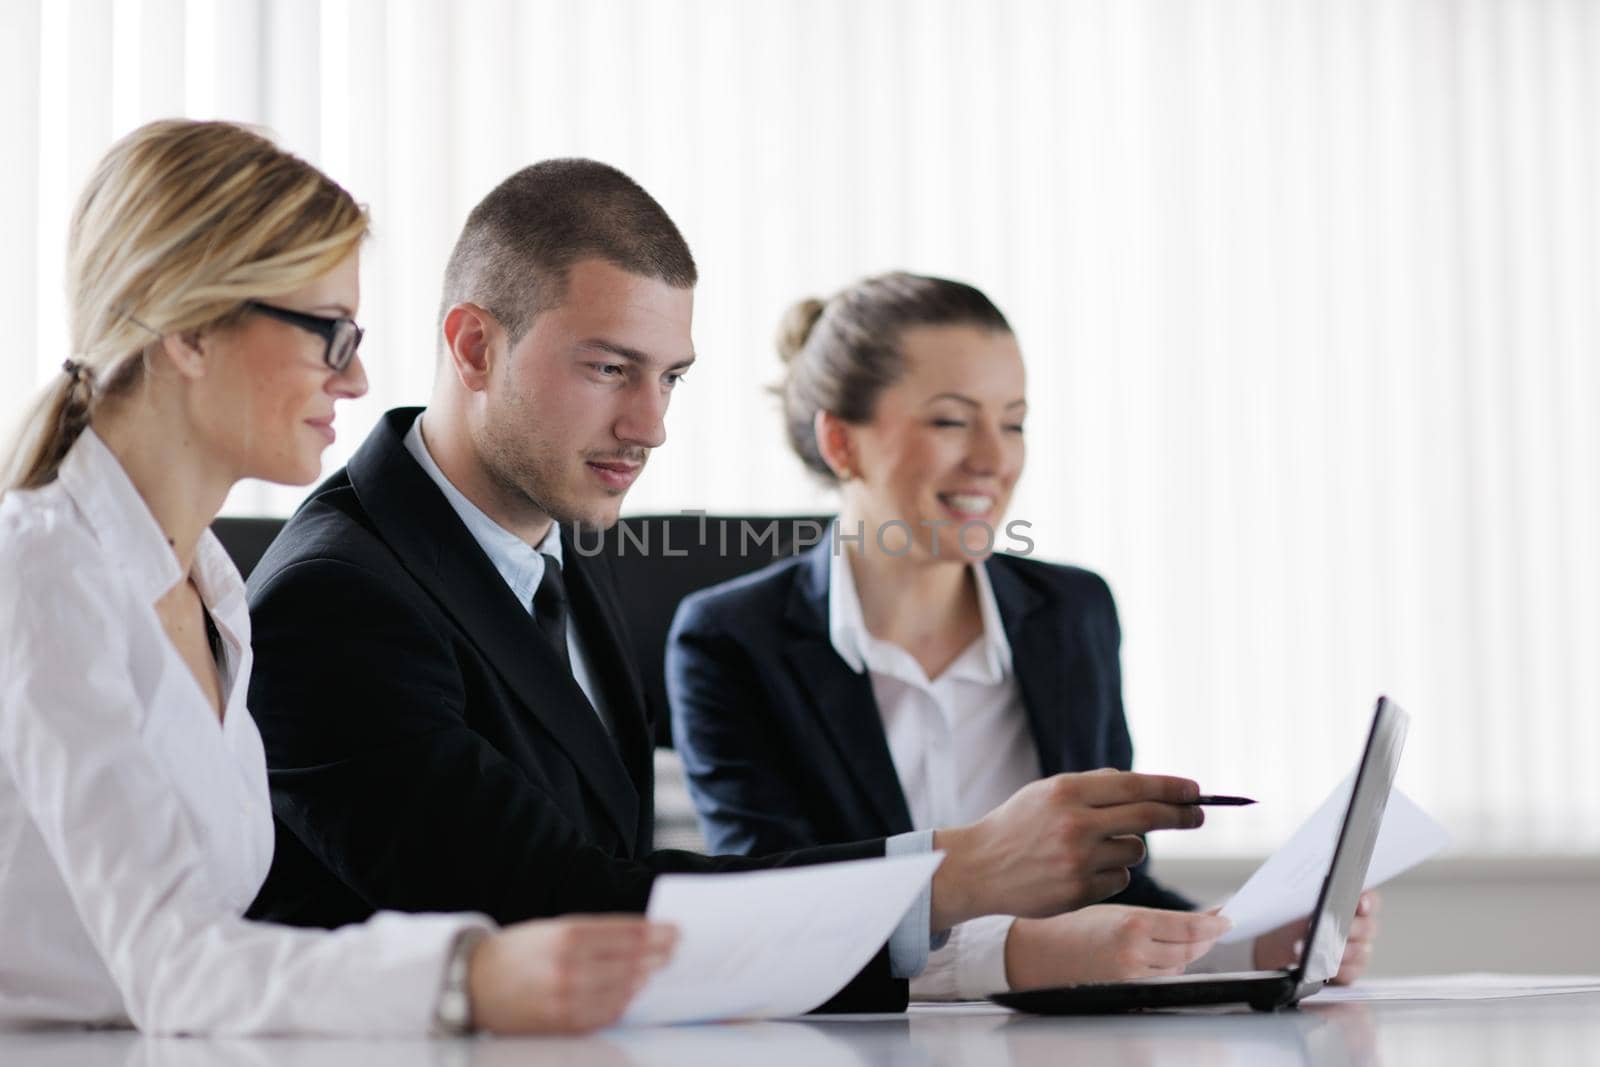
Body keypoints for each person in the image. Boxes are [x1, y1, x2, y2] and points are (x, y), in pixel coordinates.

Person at [243, 160, 1210, 1013]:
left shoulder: (557, 551)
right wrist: (956, 882)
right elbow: (558, 904)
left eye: (671, 378)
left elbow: (623, 882)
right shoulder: (336, 598)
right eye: (611, 368)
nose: (650, 424)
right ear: (473, 346)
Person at [0, 120, 677, 1037]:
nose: (356, 378)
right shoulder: (41, 570)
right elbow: (170, 960)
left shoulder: (208, 589)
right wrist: (467, 973)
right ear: (190, 330)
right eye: (328, 332)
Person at [666, 272, 1382, 998]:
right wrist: (1013, 954)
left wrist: (1242, 941)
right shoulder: (731, 640)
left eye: (1013, 422)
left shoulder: (1071, 611)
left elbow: (1113, 887)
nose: (994, 457)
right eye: (952, 420)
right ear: (842, 442)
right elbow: (772, 918)